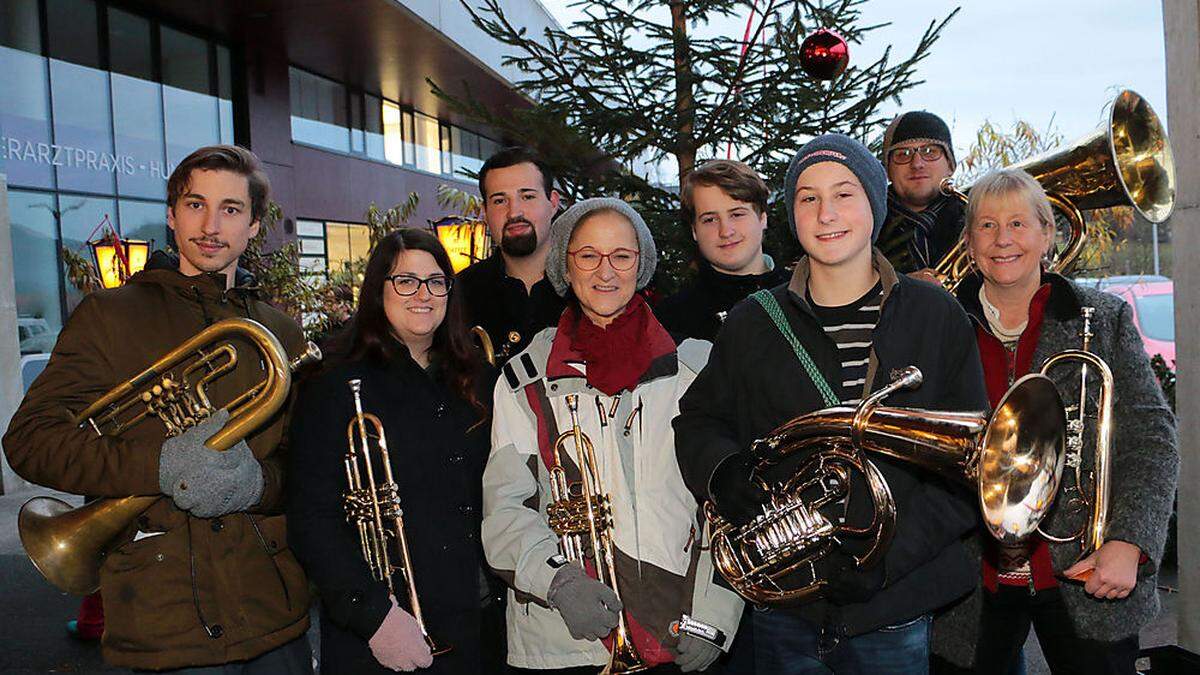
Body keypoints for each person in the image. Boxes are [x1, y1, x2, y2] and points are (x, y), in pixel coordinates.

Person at [674, 133, 988, 675]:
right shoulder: (754, 319)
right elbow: (699, 420)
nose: (826, 214)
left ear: (874, 205)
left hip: (894, 607)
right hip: (783, 605)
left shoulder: (933, 313)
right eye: (808, 198)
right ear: (792, 216)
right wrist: (722, 471)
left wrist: (883, 561)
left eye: (844, 194)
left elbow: (972, 464)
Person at [3, 145, 313, 672]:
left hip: (272, 613)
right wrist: (158, 464)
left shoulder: (279, 331)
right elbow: (31, 439)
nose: (210, 224)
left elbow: (303, 464)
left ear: (255, 225)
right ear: (171, 215)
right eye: (195, 204)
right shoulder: (108, 315)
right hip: (162, 618)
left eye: (232, 209)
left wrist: (259, 485)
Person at [931, 168, 1179, 675]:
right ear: (969, 240)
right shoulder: (940, 326)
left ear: (1048, 233)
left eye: (1020, 223)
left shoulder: (1102, 318)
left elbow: (1151, 440)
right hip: (970, 580)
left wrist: (1129, 541)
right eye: (986, 225)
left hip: (1083, 570)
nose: (1003, 240)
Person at [482, 197, 744, 673]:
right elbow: (505, 512)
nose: (606, 271)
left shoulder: (694, 369)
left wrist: (716, 614)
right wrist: (556, 582)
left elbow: (726, 505)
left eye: (622, 256)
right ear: (566, 264)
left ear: (641, 266)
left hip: (678, 629)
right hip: (563, 640)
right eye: (588, 255)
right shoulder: (524, 381)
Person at [287, 228, 501, 674]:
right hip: (379, 632)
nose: (422, 294)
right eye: (406, 281)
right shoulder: (331, 383)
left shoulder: (478, 377)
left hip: (473, 624)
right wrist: (373, 617)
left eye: (436, 281)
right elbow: (311, 519)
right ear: (377, 290)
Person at [656, 159, 789, 343]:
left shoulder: (807, 296)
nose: (725, 231)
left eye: (737, 214)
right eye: (710, 219)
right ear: (694, 230)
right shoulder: (669, 321)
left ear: (762, 218)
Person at [457, 146, 566, 364]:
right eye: (499, 200)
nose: (514, 212)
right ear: (484, 212)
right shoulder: (461, 293)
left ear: (553, 203)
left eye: (527, 196)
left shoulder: (589, 284)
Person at [876, 111, 964, 280]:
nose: (917, 164)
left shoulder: (976, 220)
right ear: (887, 170)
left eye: (929, 151)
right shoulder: (865, 225)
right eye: (903, 154)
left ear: (950, 165)